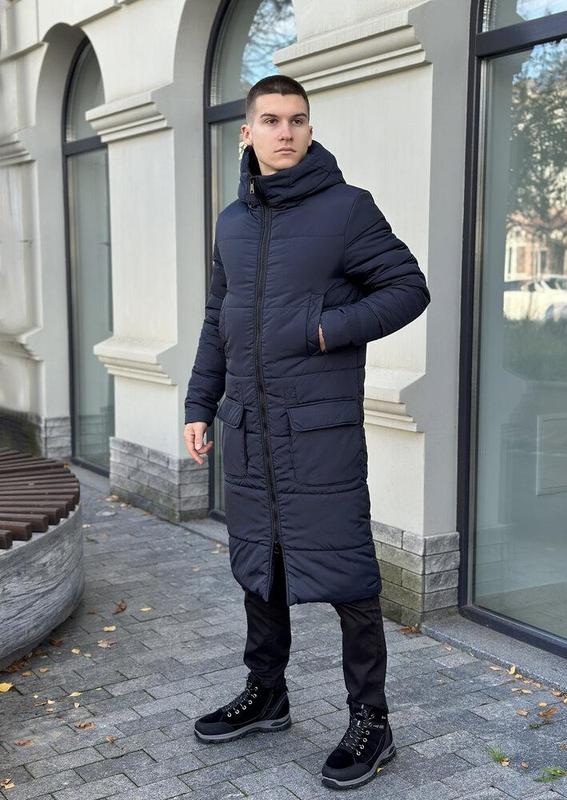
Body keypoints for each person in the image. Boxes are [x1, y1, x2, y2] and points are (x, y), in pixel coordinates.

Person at [183, 74, 431, 790]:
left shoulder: (347, 209)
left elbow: (408, 288)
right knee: (260, 566)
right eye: (271, 119)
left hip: (319, 433)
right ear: (247, 132)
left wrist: (327, 329)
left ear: (310, 130)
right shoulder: (232, 222)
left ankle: (372, 722)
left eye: (296, 120)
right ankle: (268, 694)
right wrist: (200, 403)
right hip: (249, 429)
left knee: (349, 574)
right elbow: (217, 319)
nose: (285, 131)